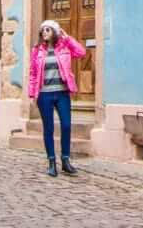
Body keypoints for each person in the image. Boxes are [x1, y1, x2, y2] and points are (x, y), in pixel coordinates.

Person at [27, 19, 87, 177]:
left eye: (48, 29)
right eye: (43, 30)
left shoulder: (64, 47)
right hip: (44, 94)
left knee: (66, 125)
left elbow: (81, 52)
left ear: (55, 31)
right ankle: (51, 162)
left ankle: (66, 160)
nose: (44, 32)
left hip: (62, 93)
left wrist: (68, 39)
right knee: (49, 128)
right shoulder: (37, 50)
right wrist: (32, 93)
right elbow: (33, 73)